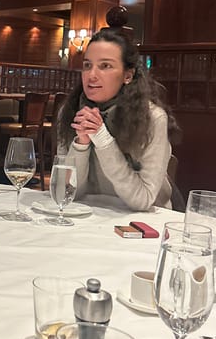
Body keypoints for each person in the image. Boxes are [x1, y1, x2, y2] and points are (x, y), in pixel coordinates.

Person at [57, 27, 179, 211]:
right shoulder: (70, 113)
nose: (92, 75)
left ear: (127, 75)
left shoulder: (153, 119)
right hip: (89, 216)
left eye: (105, 66)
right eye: (87, 65)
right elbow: (64, 194)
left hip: (142, 224)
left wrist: (102, 139)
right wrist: (81, 144)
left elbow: (142, 200)